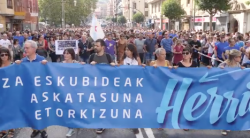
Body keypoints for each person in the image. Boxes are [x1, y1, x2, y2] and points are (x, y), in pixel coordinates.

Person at [15, 40, 48, 138]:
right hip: (28, 92)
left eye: (27, 48)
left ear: (34, 48)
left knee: (41, 111)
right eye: (24, 48)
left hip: (40, 91)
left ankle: (43, 130)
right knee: (30, 111)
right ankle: (34, 129)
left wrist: (46, 66)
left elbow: (48, 75)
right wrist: (16, 66)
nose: (25, 50)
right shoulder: (23, 61)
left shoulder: (41, 60)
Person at [88, 39, 115, 134]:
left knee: (103, 105)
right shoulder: (91, 56)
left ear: (103, 47)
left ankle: (102, 124)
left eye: (97, 46)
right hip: (94, 86)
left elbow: (113, 72)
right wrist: (89, 66)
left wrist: (113, 66)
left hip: (105, 87)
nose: (95, 47)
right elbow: (86, 71)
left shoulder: (108, 57)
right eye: (94, 45)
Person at [219, 49, 243, 136]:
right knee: (225, 108)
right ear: (234, 57)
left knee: (232, 108)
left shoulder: (237, 64)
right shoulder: (224, 64)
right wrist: (220, 70)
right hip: (225, 89)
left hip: (235, 89)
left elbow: (239, 75)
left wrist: (242, 70)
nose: (241, 58)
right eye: (240, 56)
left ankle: (229, 124)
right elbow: (216, 75)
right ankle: (223, 127)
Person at [0, 47, 15, 138]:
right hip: (1, 92)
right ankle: (3, 129)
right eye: (2, 55)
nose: (4, 56)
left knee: (11, 110)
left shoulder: (13, 65)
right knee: (2, 111)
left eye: (6, 54)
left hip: (12, 92)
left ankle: (12, 128)